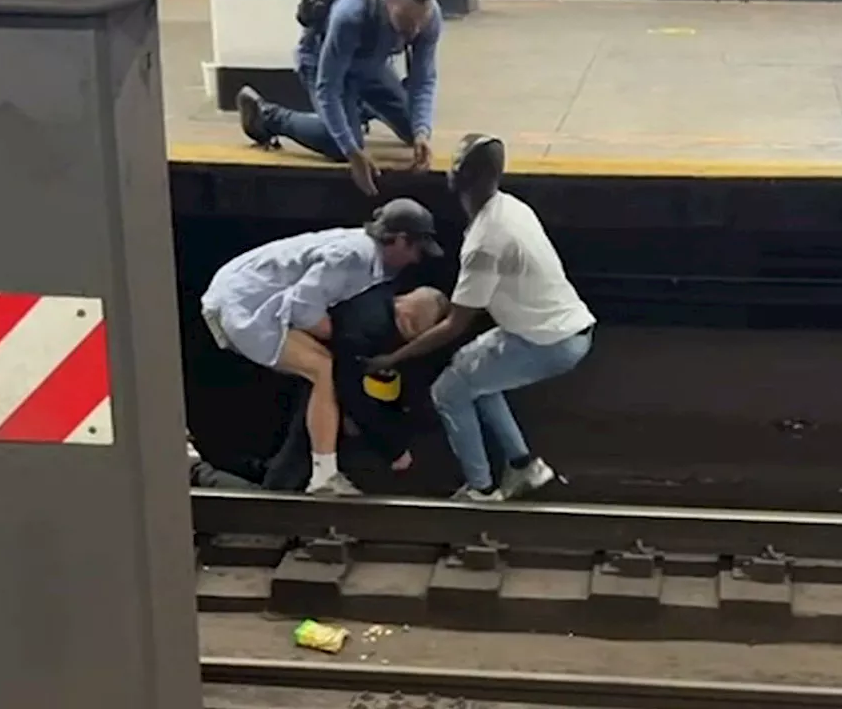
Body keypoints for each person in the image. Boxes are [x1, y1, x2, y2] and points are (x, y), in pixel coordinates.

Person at [364, 134, 597, 502]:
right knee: (471, 371)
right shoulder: (510, 207)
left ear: (459, 178)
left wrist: (392, 359)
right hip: (555, 330)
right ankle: (524, 466)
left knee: (448, 391)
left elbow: (454, 324)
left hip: (546, 344)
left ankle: (480, 489)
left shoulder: (485, 245)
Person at [200, 197, 442, 495]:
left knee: (322, 368)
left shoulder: (367, 255)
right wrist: (339, 337)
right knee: (323, 368)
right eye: (416, 249)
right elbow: (302, 306)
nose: (416, 259)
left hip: (245, 296)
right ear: (400, 240)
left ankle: (301, 471)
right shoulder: (354, 256)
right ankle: (324, 477)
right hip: (246, 304)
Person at [190, 283, 450, 493]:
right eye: (408, 328)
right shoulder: (368, 325)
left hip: (308, 387)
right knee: (279, 493)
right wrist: (392, 447)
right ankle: (198, 473)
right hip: (301, 381)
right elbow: (348, 386)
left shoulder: (377, 311)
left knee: (284, 474)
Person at [236, 0, 441, 196]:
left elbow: (423, 80)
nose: (413, 33)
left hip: (371, 66)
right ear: (388, 0)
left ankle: (355, 110)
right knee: (338, 144)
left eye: (419, 25)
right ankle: (267, 116)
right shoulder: (350, 14)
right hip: (323, 66)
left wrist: (421, 131)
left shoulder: (428, 18)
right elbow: (328, 89)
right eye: (405, 24)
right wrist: (351, 150)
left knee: (412, 129)